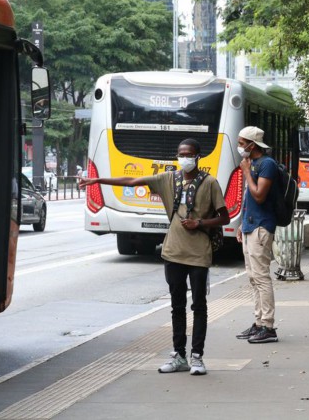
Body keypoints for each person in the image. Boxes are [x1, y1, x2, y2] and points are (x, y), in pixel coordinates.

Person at [79, 138, 229, 375]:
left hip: (199, 254)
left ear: (198, 156)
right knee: (176, 306)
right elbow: (130, 180)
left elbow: (224, 217)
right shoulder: (168, 179)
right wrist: (97, 180)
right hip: (172, 252)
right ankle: (179, 355)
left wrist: (200, 222)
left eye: (188, 154)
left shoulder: (210, 183)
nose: (184, 158)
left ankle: (197, 357)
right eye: (180, 154)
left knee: (199, 306)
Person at [235, 126, 280, 344]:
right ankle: (259, 322)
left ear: (253, 145)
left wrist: (245, 172)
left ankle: (268, 326)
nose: (240, 147)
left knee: (261, 278)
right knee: (253, 279)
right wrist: (241, 225)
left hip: (261, 227)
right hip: (250, 226)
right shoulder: (252, 164)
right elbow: (248, 199)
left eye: (242, 143)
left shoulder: (266, 165)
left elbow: (259, 196)